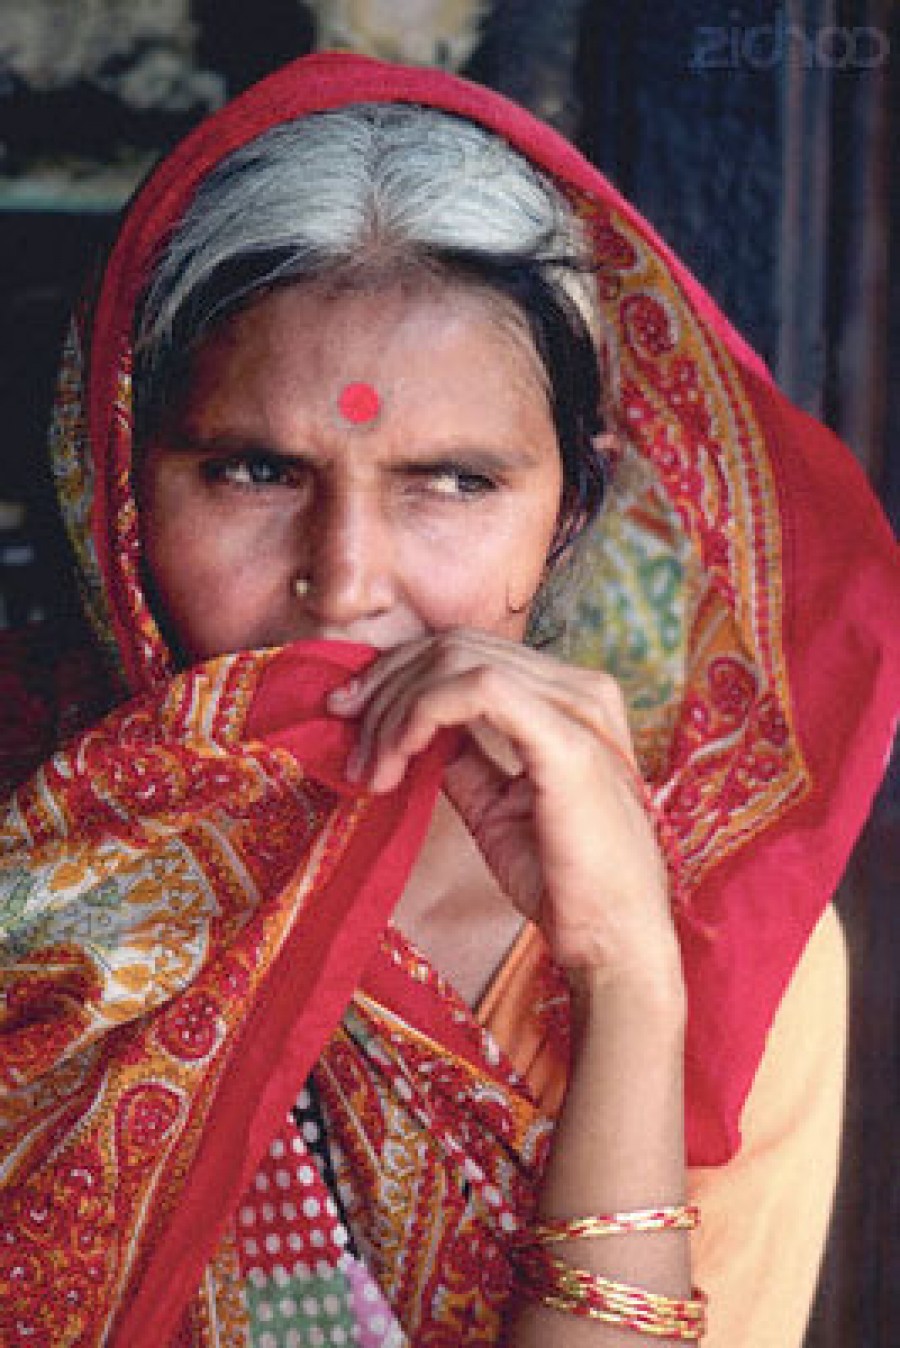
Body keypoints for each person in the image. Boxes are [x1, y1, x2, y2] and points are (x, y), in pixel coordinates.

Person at [0, 52, 897, 1348]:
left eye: (455, 483)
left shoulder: (734, 943)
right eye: (254, 470)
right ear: (121, 485)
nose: (345, 584)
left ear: (571, 511)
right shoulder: (33, 844)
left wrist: (631, 982)